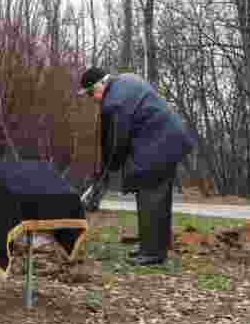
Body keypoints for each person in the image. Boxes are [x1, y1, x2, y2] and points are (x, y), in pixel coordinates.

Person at [78, 66, 196, 265]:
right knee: (159, 195)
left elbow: (117, 141)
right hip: (169, 138)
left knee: (149, 193)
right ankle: (155, 247)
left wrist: (107, 171)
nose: (93, 98)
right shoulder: (125, 80)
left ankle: (151, 253)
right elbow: (114, 138)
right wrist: (108, 167)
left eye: (91, 93)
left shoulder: (114, 101)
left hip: (159, 142)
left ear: (102, 83)